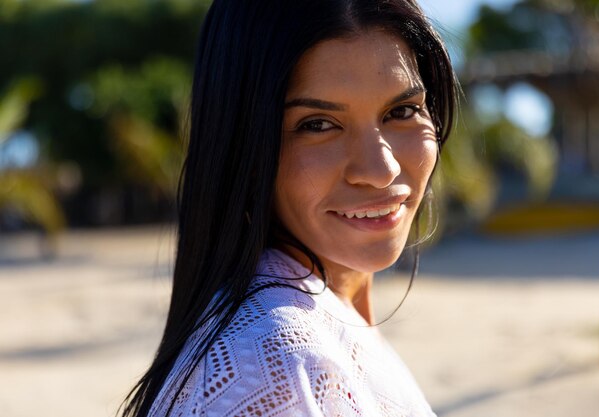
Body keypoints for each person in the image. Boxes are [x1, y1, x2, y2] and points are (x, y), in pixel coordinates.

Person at [121, 0, 456, 416]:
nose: (381, 169)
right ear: (242, 145)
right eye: (317, 124)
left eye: (402, 111)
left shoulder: (325, 320)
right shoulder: (284, 367)